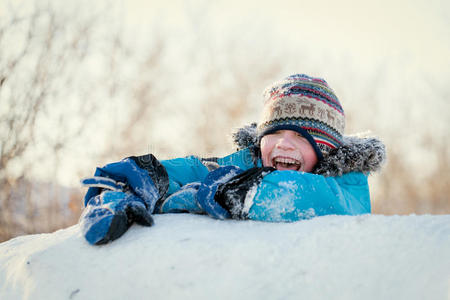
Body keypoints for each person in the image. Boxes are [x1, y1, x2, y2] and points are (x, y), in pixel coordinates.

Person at [79, 74, 386, 245]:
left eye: (301, 137)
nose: (284, 145)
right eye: (275, 133)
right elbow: (199, 170)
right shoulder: (245, 165)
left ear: (326, 149)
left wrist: (245, 191)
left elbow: (327, 201)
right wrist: (135, 179)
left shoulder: (348, 184)